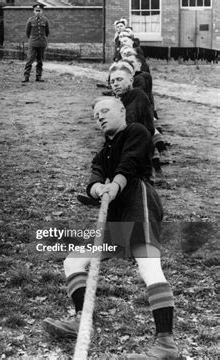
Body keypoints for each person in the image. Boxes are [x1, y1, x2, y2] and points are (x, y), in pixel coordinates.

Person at [42, 97, 179, 360]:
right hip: (115, 212)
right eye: (96, 115)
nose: (100, 117)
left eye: (105, 111)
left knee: (149, 266)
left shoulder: (136, 131)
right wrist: (97, 188)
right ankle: (82, 320)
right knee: (73, 262)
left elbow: (129, 162)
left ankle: (166, 344)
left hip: (138, 202)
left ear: (121, 111)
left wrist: (114, 185)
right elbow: (94, 175)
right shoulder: (103, 151)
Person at [22, 3, 50, 83]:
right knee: (30, 60)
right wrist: (31, 40)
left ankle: (38, 77)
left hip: (41, 43)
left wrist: (43, 40)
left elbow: (47, 32)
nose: (38, 12)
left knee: (40, 61)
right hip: (33, 43)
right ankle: (26, 77)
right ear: (34, 11)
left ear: (42, 11)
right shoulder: (30, 20)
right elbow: (27, 32)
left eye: (39, 10)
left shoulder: (45, 20)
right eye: (36, 10)